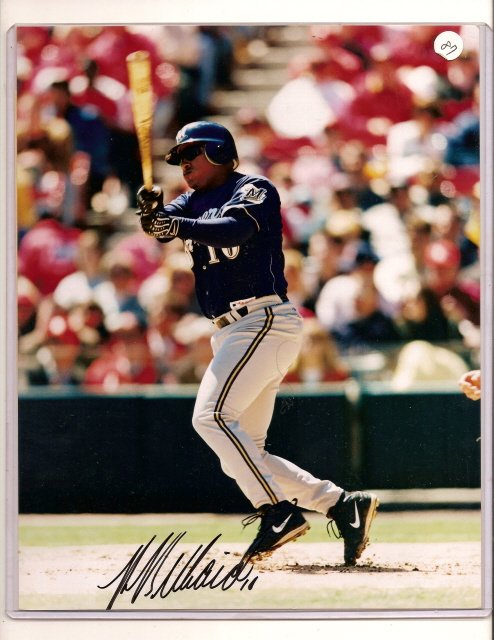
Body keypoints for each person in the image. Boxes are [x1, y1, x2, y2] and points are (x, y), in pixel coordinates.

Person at [135, 120, 379, 566]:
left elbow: (233, 230)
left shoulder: (254, 188)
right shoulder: (190, 200)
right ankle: (343, 505)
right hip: (232, 331)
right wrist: (153, 217)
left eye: (191, 153)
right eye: (179, 158)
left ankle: (277, 512)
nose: (183, 164)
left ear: (218, 151)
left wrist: (172, 222)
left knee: (210, 417)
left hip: (263, 320)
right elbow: (168, 225)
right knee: (246, 449)